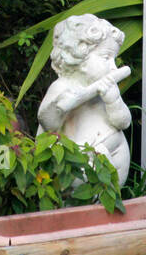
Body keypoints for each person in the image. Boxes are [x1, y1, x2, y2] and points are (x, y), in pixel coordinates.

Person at [37, 15, 132, 187]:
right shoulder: (61, 87)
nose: (113, 67)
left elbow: (123, 122)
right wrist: (66, 104)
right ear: (78, 56)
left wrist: (114, 100)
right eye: (106, 58)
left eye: (114, 59)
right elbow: (46, 123)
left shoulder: (108, 87)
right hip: (74, 167)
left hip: (112, 163)